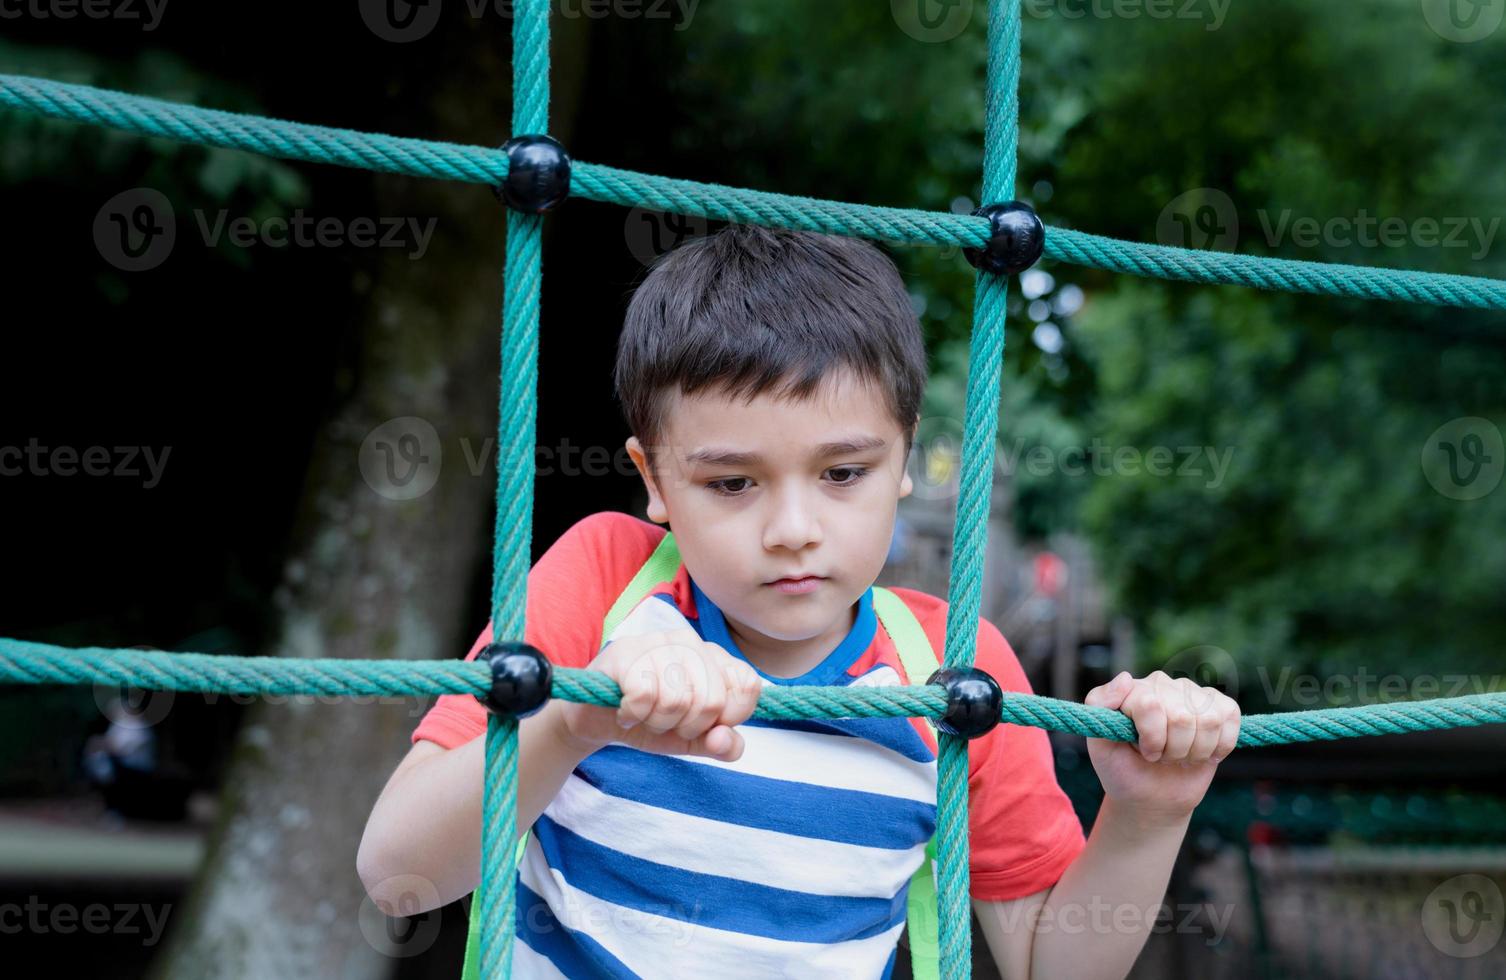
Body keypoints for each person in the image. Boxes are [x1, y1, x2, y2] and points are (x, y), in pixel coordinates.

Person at [357, 224, 1241, 979]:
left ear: (903, 465)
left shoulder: (954, 670)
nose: (792, 528)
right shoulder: (603, 585)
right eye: (733, 483)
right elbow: (399, 870)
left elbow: (1052, 964)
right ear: (655, 480)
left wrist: (1147, 813)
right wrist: (574, 721)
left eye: (842, 474)